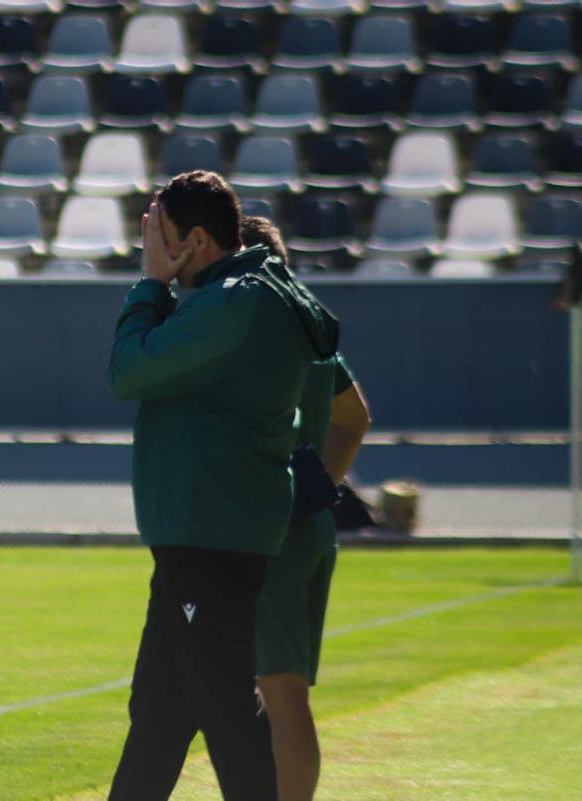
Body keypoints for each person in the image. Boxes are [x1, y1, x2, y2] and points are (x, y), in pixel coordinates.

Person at [106, 172, 339, 801]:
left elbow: (128, 370)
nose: (152, 249)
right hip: (208, 531)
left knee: (228, 711)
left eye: (161, 237)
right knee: (159, 709)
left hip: (211, 533)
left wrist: (151, 284)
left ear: (198, 239)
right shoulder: (253, 292)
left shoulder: (234, 301)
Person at [241, 216, 372, 801]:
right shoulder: (311, 331)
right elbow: (355, 418)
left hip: (274, 524)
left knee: (281, 691)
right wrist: (324, 485)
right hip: (310, 522)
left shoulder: (255, 333)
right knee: (282, 689)